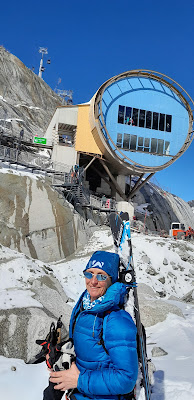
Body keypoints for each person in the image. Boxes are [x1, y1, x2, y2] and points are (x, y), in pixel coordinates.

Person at [48, 251, 138, 400]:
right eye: (89, 274)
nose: (93, 281)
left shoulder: (117, 320)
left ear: (112, 280)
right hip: (80, 392)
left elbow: (126, 379)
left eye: (101, 276)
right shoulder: (85, 306)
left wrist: (79, 380)